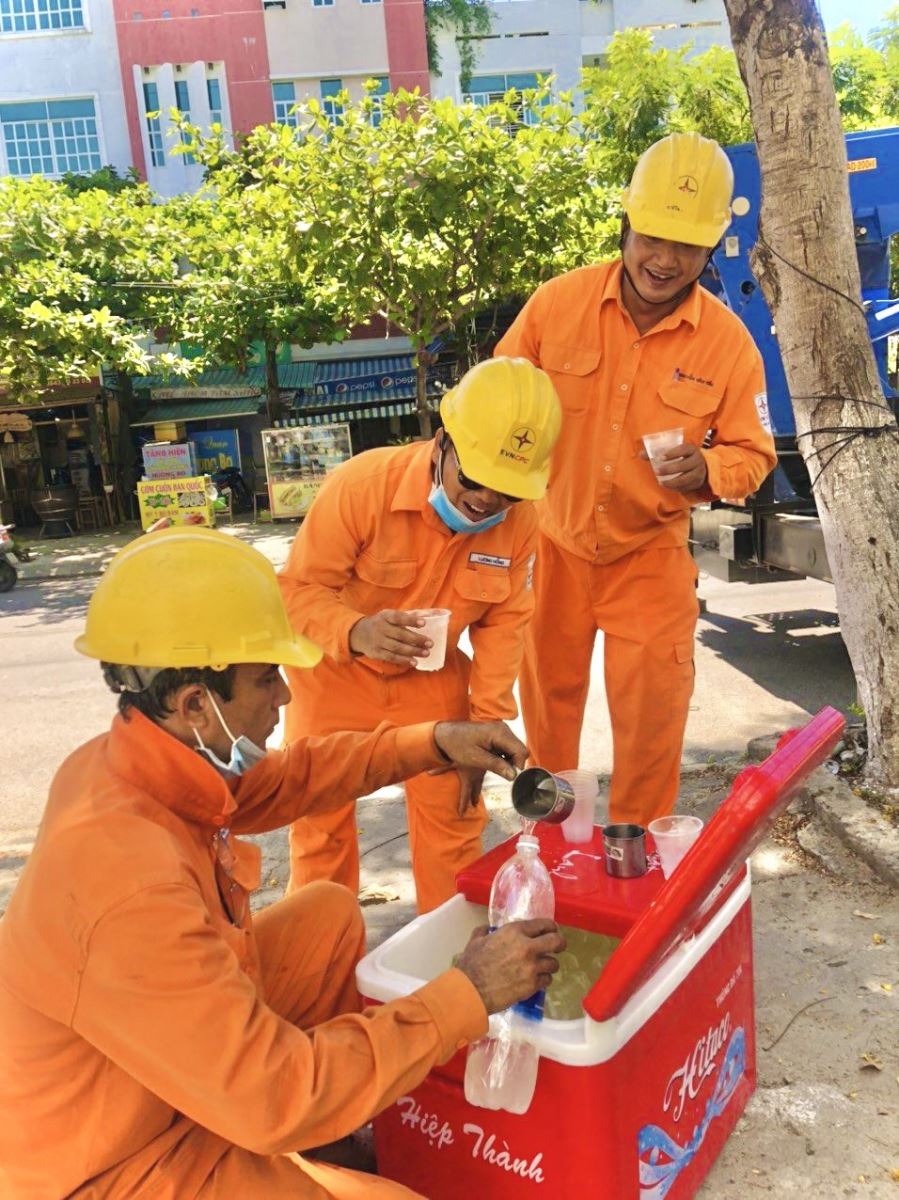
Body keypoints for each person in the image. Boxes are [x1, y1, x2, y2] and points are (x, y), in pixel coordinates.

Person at [0, 527, 564, 1200]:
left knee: (324, 914)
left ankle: (320, 1143)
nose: (286, 698)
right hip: (110, 1160)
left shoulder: (135, 761)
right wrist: (466, 993)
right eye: (267, 679)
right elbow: (273, 1094)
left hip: (166, 1074)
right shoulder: (127, 881)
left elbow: (290, 779)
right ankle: (300, 1144)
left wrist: (433, 741)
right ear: (194, 705)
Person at [495, 131, 778, 828]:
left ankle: (635, 860)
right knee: (547, 716)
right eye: (652, 236)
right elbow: (494, 401)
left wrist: (707, 469)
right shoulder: (554, 306)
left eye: (686, 246)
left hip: (648, 559)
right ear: (625, 225)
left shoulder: (727, 343)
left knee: (651, 726)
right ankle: (553, 842)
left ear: (709, 250)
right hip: (551, 549)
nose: (664, 259)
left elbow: (755, 453)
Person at [278, 357, 561, 913]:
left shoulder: (523, 523)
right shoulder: (362, 486)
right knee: (320, 831)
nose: (487, 502)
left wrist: (485, 719)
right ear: (441, 443)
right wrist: (355, 630)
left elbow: (505, 623)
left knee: (454, 821)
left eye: (507, 492)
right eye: (475, 480)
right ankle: (319, 963)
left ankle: (454, 969)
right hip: (333, 679)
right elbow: (295, 593)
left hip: (431, 685)